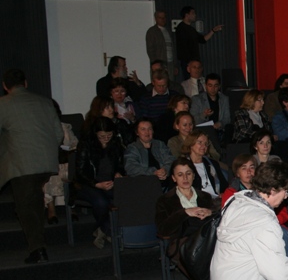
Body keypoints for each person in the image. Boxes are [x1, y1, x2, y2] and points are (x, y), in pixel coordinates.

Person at [0, 69, 64, 263]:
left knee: (26, 207)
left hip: (22, 165)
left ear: (5, 86)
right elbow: (59, 135)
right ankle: (39, 246)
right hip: (46, 162)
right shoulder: (45, 102)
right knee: (33, 202)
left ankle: (38, 249)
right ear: (25, 83)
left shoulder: (3, 104)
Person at [75, 117, 126, 249]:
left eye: (109, 135)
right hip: (89, 183)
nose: (106, 138)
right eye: (102, 136)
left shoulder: (116, 144)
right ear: (95, 134)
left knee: (124, 197)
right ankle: (108, 231)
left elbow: (121, 165)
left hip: (109, 182)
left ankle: (102, 230)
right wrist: (96, 184)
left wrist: (118, 173)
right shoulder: (86, 144)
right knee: (101, 202)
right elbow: (80, 172)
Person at [155, 158, 214, 268]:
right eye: (180, 175)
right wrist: (185, 213)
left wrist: (210, 213)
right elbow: (163, 229)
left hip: (205, 240)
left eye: (188, 173)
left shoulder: (206, 197)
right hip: (181, 241)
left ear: (193, 176)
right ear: (174, 178)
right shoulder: (164, 200)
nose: (185, 178)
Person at [175, 6, 222, 77]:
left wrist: (213, 31)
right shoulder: (181, 28)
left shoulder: (191, 29)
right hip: (189, 62)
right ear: (187, 15)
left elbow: (202, 39)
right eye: (193, 13)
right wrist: (189, 62)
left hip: (194, 61)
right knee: (190, 80)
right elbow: (182, 48)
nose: (195, 15)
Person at [123, 119, 173, 186]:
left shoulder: (160, 144)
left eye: (150, 129)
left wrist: (165, 170)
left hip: (164, 182)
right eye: (143, 129)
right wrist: (153, 172)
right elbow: (131, 168)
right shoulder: (132, 148)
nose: (147, 132)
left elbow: (170, 159)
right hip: (143, 184)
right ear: (137, 132)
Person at [183, 130, 228, 202]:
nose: (204, 146)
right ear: (191, 144)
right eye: (200, 142)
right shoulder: (182, 165)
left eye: (206, 143)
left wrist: (223, 194)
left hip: (216, 200)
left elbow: (224, 185)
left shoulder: (212, 164)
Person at [145, 10, 177, 78]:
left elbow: (173, 48)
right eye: (160, 18)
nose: (163, 19)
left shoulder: (168, 31)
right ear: (156, 18)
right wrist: (155, 64)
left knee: (170, 81)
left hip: (170, 63)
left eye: (164, 17)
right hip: (160, 63)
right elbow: (150, 50)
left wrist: (175, 65)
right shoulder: (152, 31)